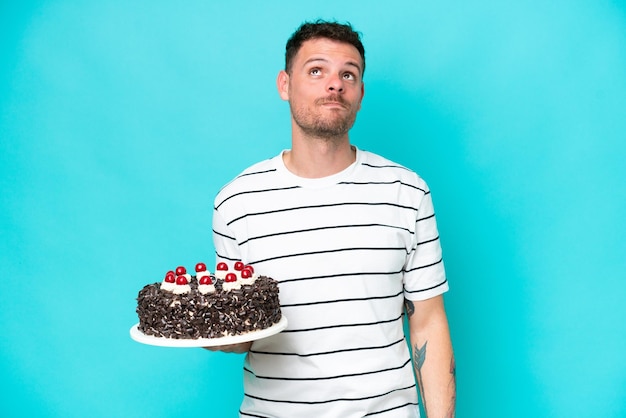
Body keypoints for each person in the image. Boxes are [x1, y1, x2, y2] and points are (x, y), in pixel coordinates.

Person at [209, 19, 456, 418]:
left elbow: (428, 322)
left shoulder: (407, 192)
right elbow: (243, 328)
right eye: (316, 70)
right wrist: (221, 335)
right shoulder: (236, 201)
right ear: (284, 85)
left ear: (359, 93)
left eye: (348, 74)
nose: (335, 84)